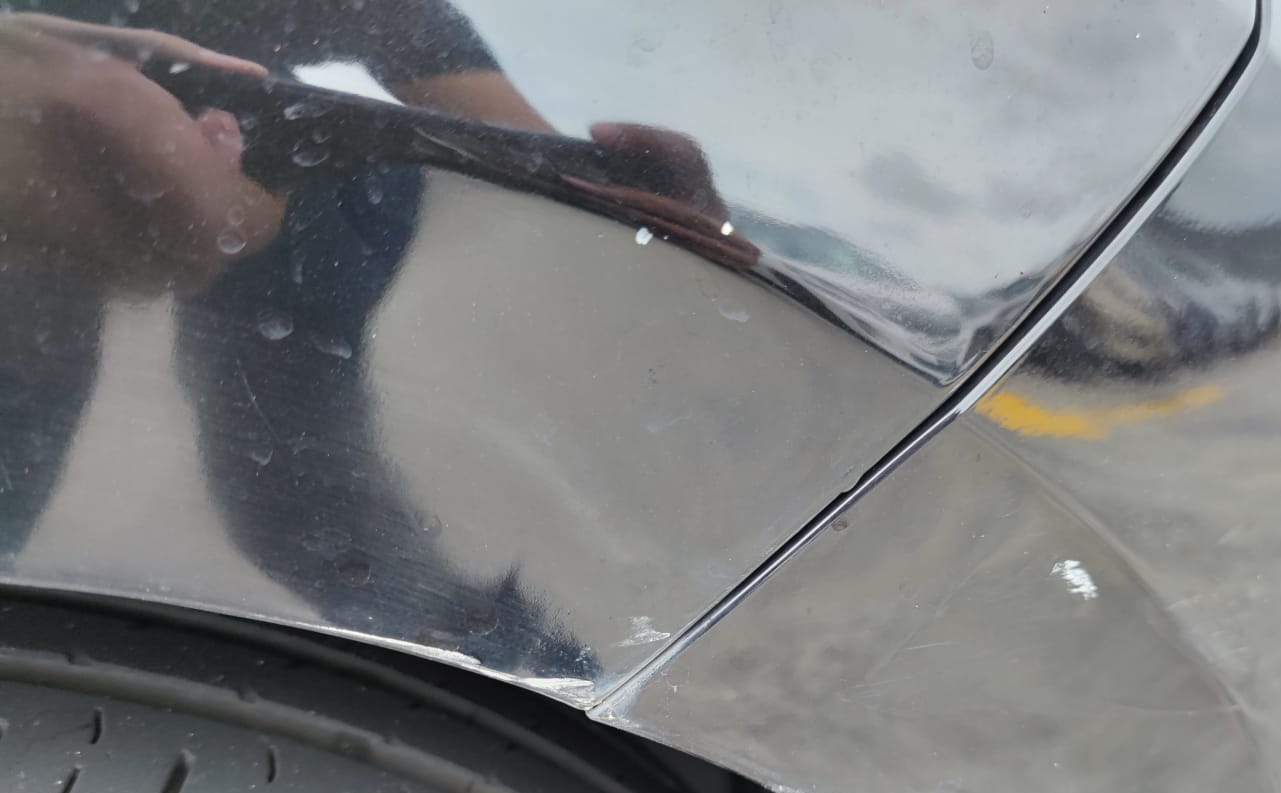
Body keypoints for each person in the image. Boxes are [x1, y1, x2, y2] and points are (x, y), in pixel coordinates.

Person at [0, 5, 743, 677]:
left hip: (311, 218)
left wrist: (582, 176)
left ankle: (517, 671)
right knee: (42, 438)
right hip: (79, 224)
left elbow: (397, 26)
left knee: (302, 513)